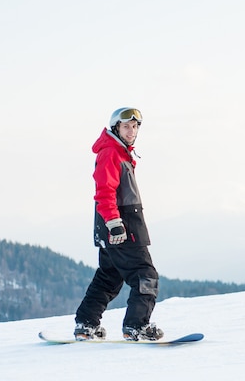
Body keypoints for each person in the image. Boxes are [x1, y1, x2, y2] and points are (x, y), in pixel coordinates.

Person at [74, 107, 163, 341]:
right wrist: (115, 223)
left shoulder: (120, 152)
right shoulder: (111, 152)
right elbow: (104, 191)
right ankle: (136, 325)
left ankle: (86, 324)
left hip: (114, 225)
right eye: (126, 126)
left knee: (109, 276)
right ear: (116, 128)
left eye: (135, 127)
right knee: (146, 275)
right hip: (122, 226)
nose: (131, 131)